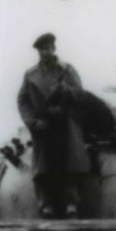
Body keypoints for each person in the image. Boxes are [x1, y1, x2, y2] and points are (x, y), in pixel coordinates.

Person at [17, 32, 90, 218]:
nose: (46, 52)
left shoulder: (67, 70)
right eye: (42, 49)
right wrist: (33, 122)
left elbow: (80, 94)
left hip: (66, 124)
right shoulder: (30, 74)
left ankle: (71, 203)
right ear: (38, 51)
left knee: (70, 164)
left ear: (54, 49)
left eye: (48, 48)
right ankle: (46, 204)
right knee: (43, 167)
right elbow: (23, 101)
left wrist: (66, 90)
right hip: (43, 126)